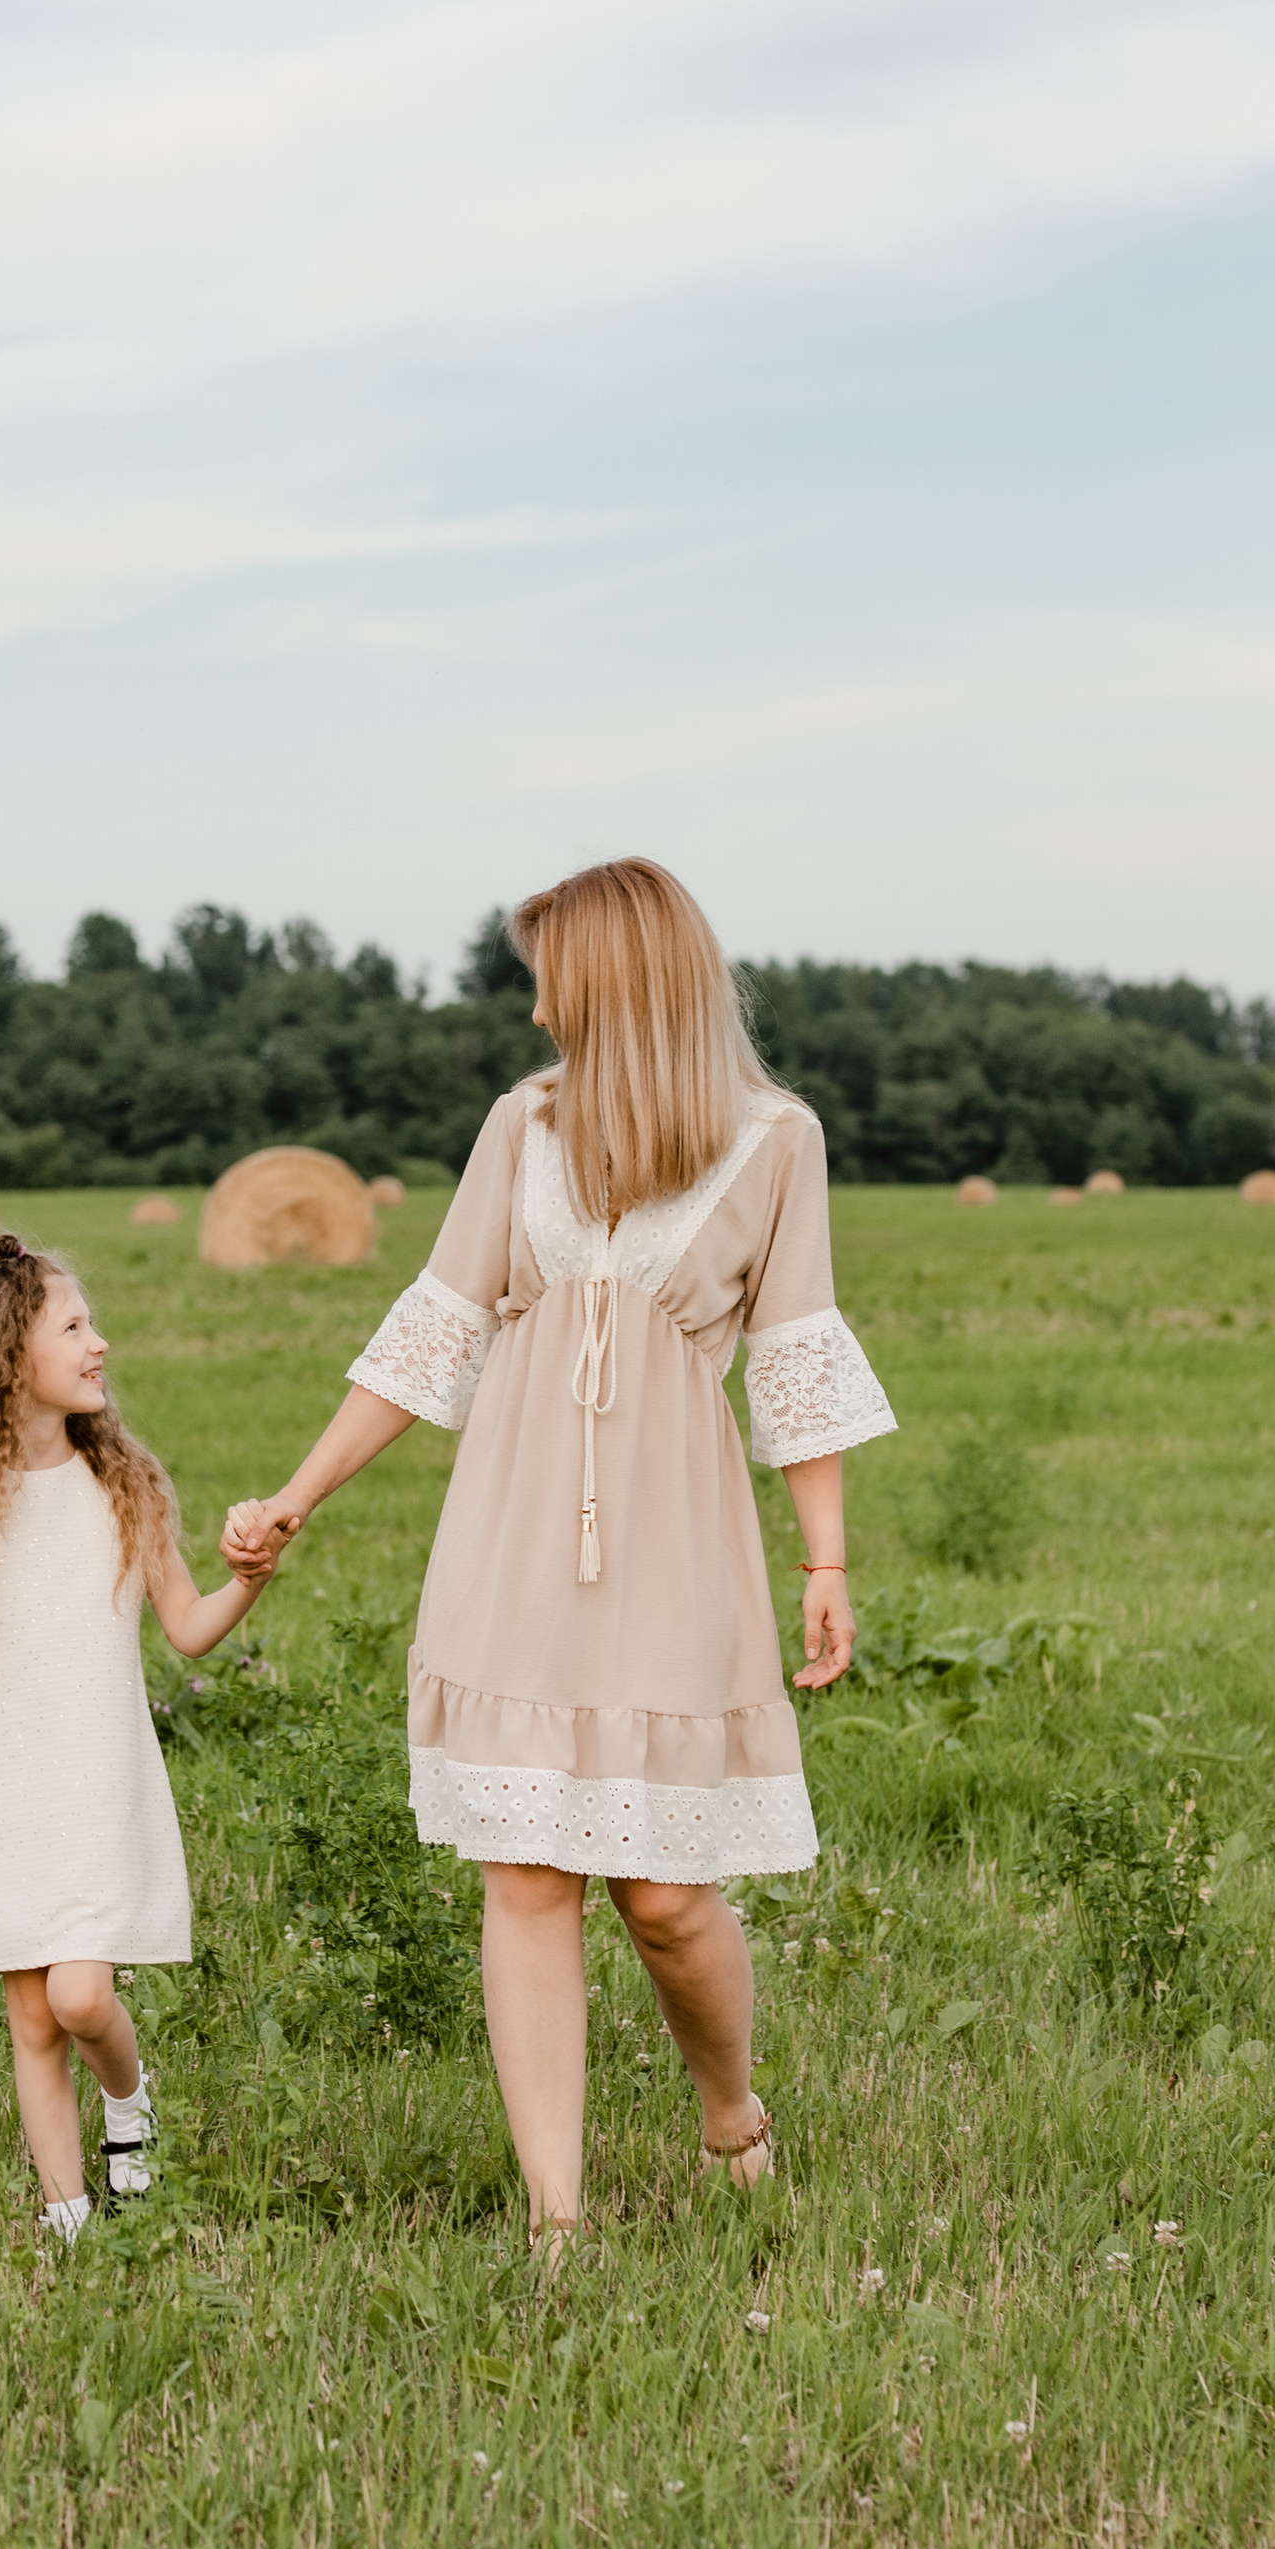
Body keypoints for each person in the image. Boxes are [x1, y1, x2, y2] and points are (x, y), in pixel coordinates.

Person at [222, 854, 895, 2257]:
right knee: (526, 1877)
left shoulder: (778, 1140)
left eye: (549, 978)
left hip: (678, 1546)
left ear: (611, 980)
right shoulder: (518, 1127)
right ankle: (558, 2220)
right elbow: (437, 1325)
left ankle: (729, 2112)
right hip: (511, 1539)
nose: (534, 1013)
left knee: (666, 1895)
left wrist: (825, 1565)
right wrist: (298, 1493)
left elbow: (798, 1353)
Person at [0, 1236, 275, 2242]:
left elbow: (186, 1627)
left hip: (95, 1785)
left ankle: (127, 2102)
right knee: (31, 2017)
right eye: (75, 1326)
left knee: (82, 1997)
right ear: (8, 1359)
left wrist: (248, 1579)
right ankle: (66, 2216)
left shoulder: (119, 1484)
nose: (100, 1343)